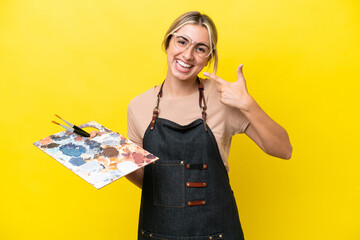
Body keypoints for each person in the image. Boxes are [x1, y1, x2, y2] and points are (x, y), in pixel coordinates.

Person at [93, 11, 292, 240]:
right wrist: (118, 159)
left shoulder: (223, 99)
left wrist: (248, 104)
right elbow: (152, 184)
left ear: (209, 57)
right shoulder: (138, 106)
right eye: (182, 41)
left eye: (200, 48)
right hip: (157, 234)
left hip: (218, 233)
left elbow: (283, 150)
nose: (187, 55)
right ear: (167, 43)